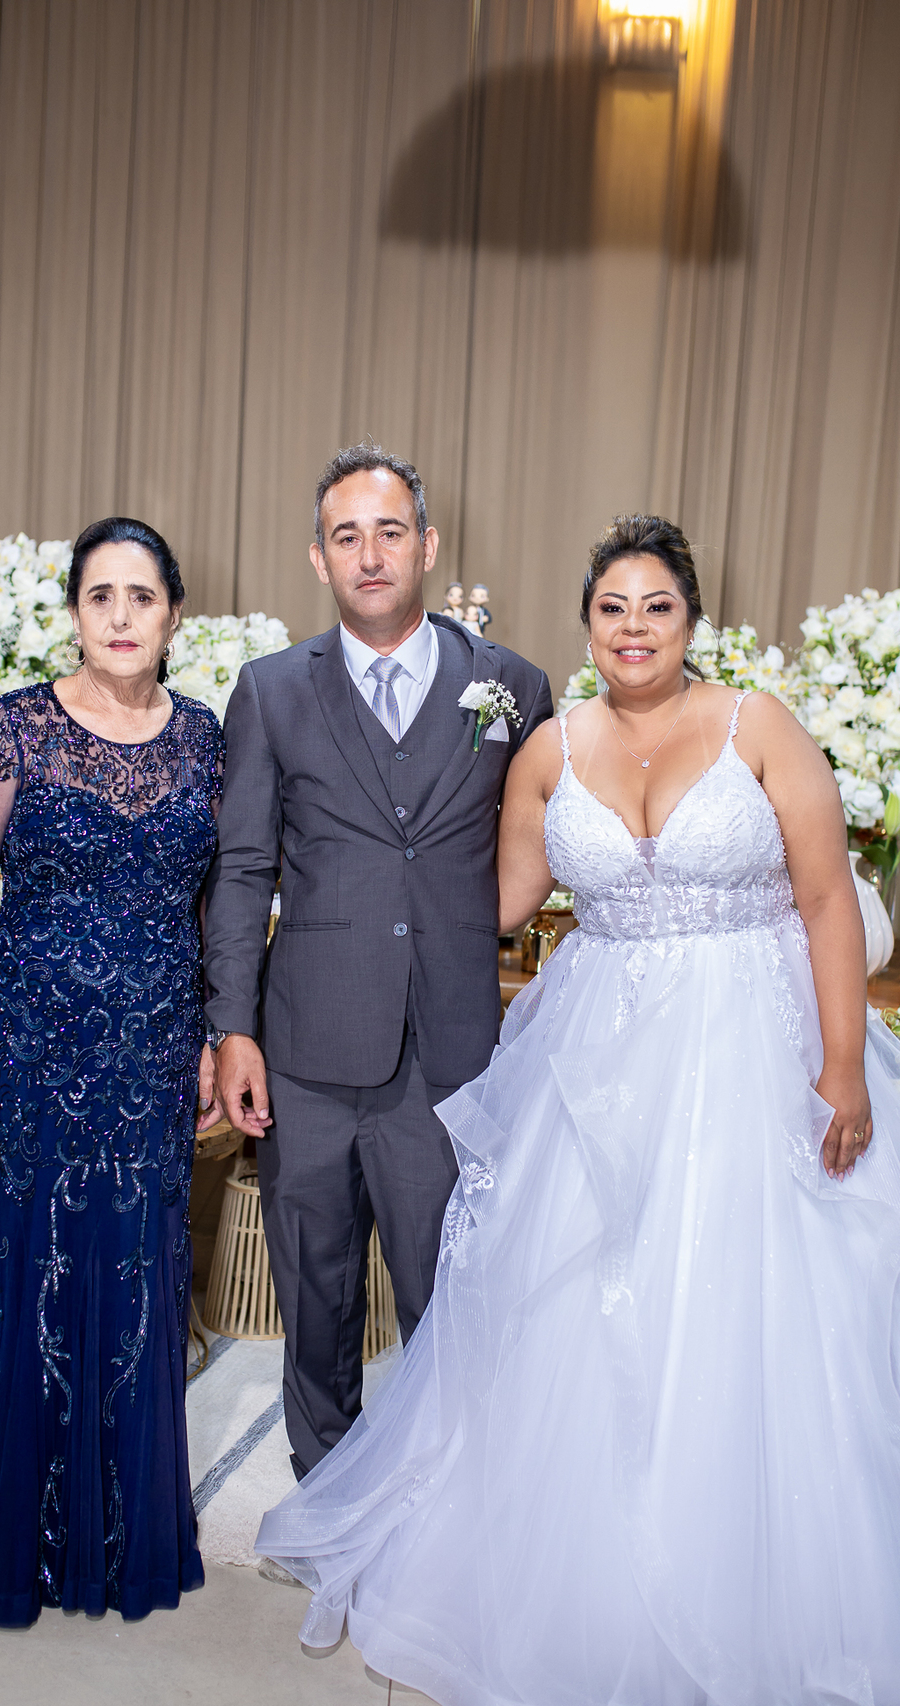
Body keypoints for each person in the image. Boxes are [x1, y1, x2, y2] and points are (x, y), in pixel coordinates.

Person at [256, 514, 900, 1706]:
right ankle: (588, 1598)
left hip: (754, 1045)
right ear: (588, 625)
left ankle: (773, 1606)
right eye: (612, 608)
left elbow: (829, 897)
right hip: (598, 1056)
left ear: (692, 620)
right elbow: (491, 904)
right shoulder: (550, 747)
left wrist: (840, 1065)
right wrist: (339, 887)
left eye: (657, 606)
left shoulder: (757, 726)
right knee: (579, 1306)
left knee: (757, 1315)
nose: (634, 628)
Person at [203, 443, 552, 1486]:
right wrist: (233, 1030)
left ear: (428, 547)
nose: (369, 555)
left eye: (389, 532)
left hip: (449, 1055)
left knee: (451, 1295)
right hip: (307, 1052)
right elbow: (241, 872)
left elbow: (550, 842)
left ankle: (447, 1506)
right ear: (319, 558)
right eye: (346, 537)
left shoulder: (511, 686)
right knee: (314, 1298)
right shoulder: (271, 692)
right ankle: (324, 1494)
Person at [0, 517, 223, 1627]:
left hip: (151, 1056)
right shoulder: (19, 728)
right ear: (75, 614)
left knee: (136, 1282)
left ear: (174, 614)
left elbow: (214, 905)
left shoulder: (204, 738)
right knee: (32, 1275)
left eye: (143, 597)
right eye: (102, 596)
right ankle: (19, 1542)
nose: (122, 617)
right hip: (36, 1052)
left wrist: (208, 1034)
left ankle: (119, 1539)